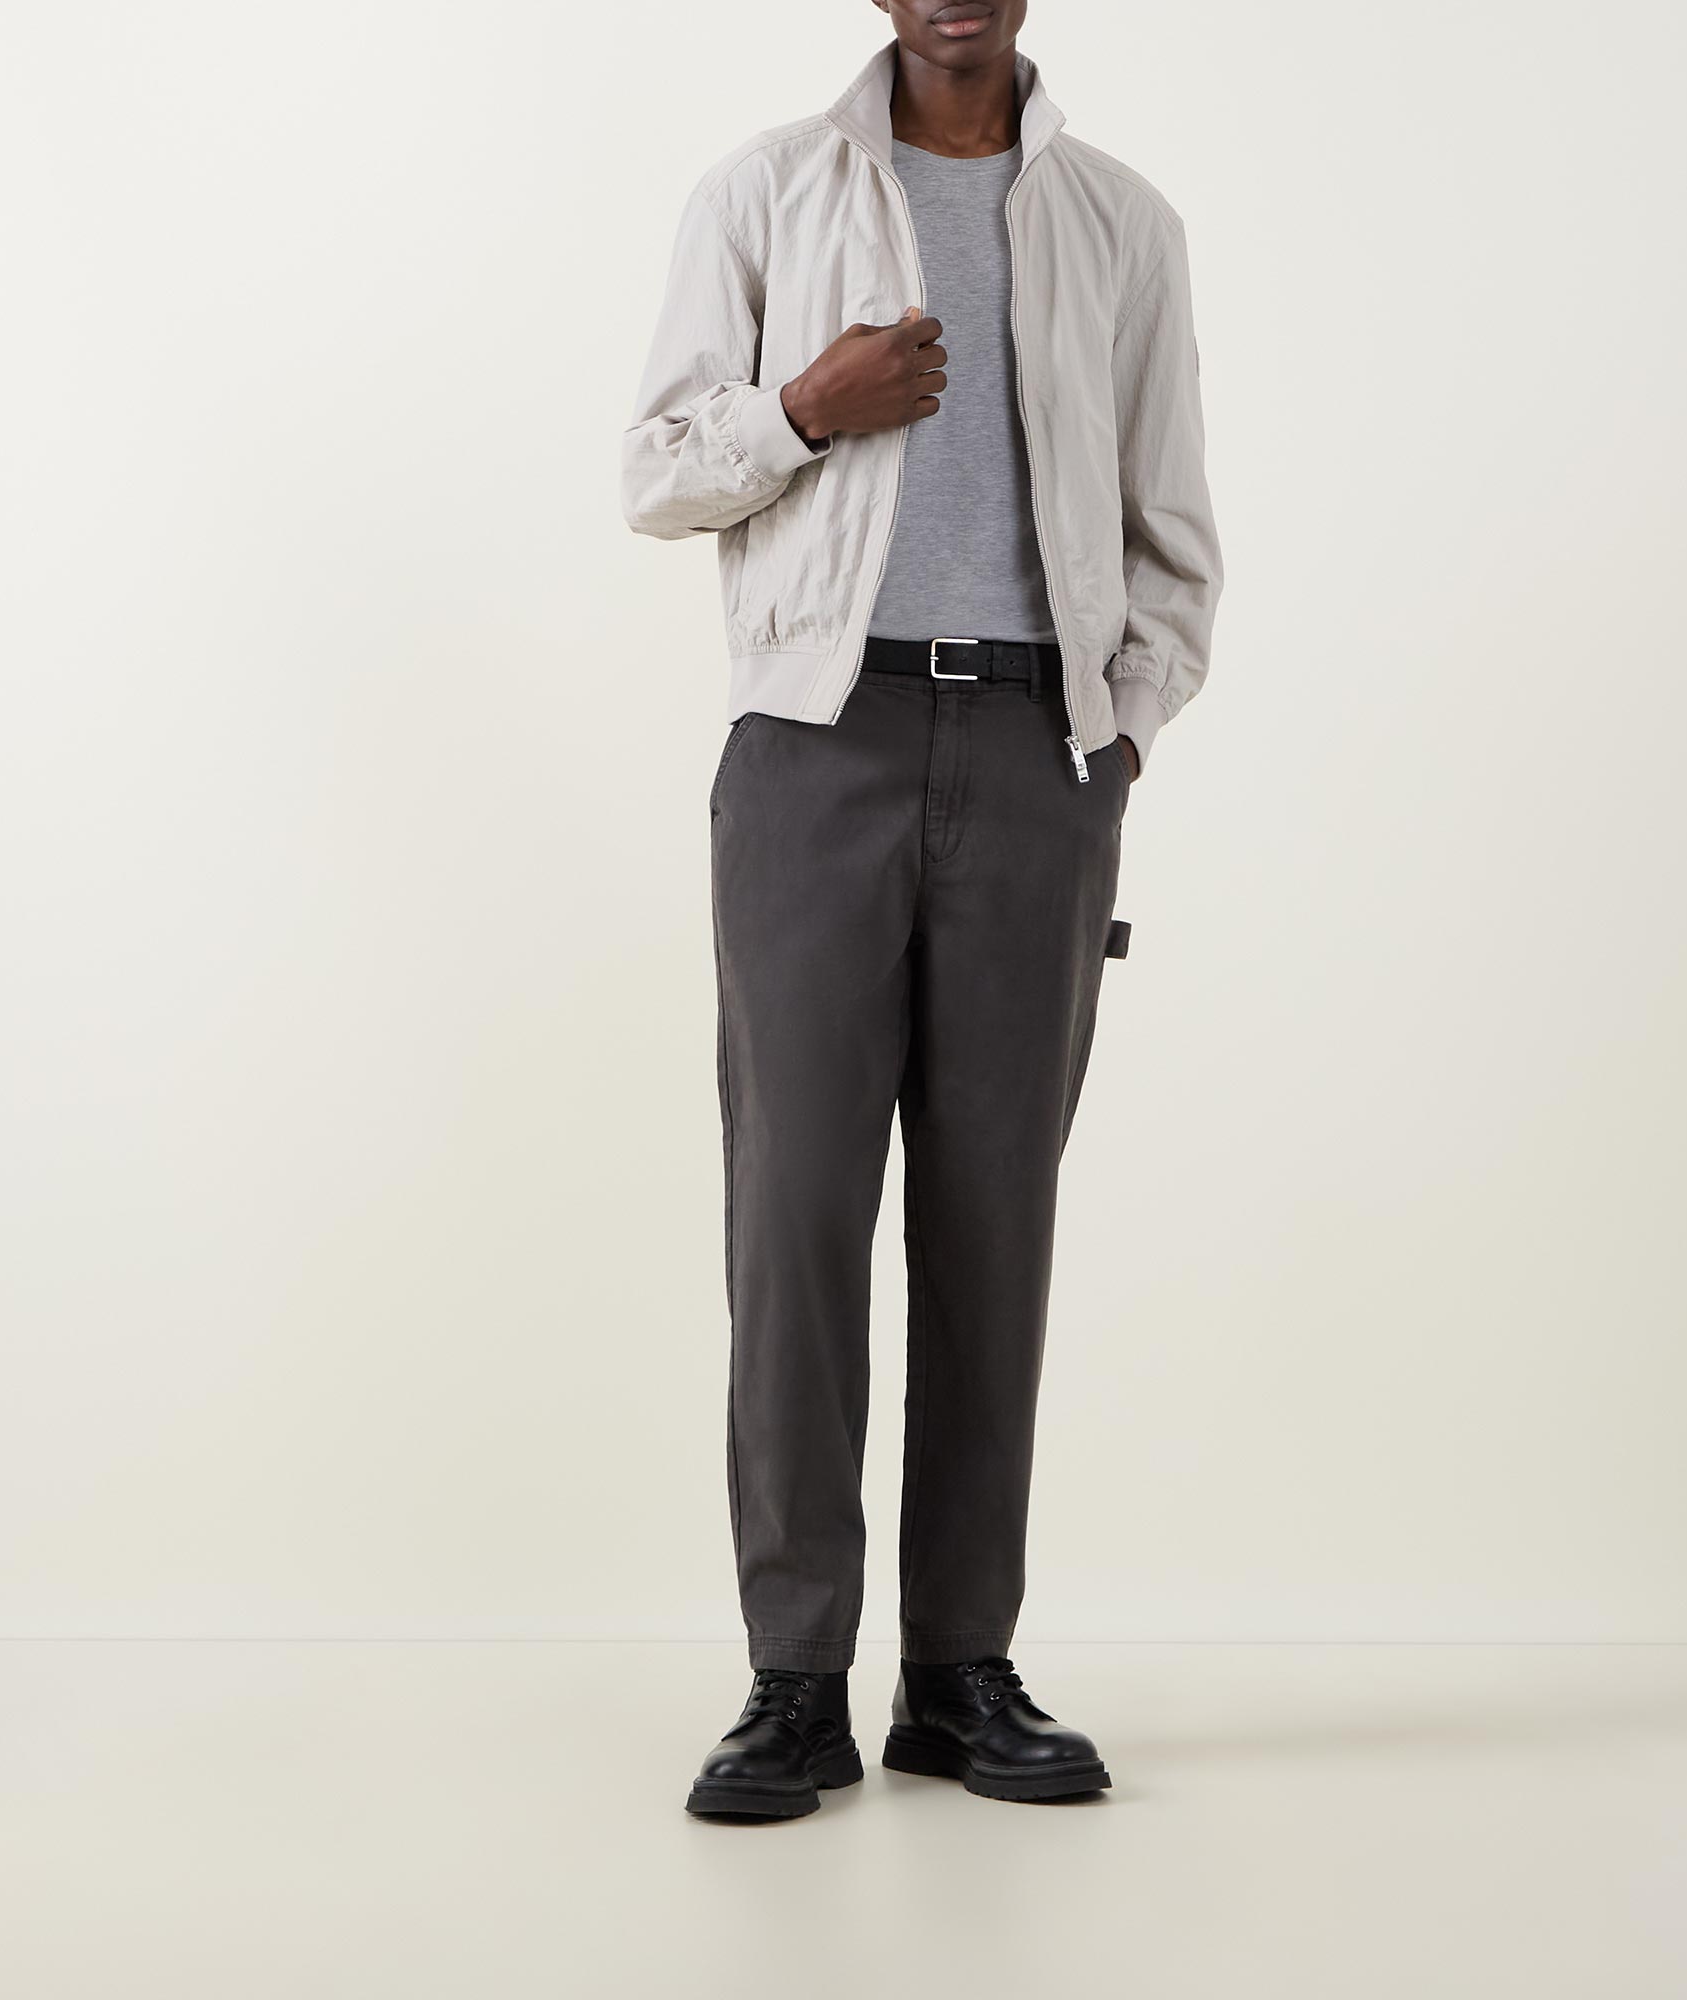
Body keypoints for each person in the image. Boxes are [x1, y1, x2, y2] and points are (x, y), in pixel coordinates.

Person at [622, 0, 1220, 1818]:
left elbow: (1173, 530)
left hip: (1040, 754)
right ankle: (794, 1680)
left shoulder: (1121, 223)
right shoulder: (767, 191)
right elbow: (655, 471)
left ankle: (959, 1673)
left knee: (992, 1226)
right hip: (818, 746)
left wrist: (1115, 736)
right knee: (794, 1219)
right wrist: (808, 407)